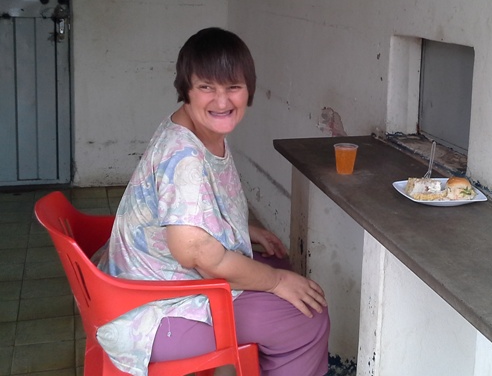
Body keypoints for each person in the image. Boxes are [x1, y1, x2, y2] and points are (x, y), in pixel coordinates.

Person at [93, 27, 330, 376]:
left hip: (144, 288)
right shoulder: (184, 155)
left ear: (248, 89)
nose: (222, 102)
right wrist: (276, 282)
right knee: (307, 316)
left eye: (233, 87)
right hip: (151, 315)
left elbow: (191, 209)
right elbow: (197, 254)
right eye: (207, 87)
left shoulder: (196, 128)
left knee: (280, 267)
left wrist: (243, 229)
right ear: (186, 89)